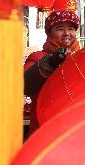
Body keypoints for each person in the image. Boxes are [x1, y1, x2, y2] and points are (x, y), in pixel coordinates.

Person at [23, 10, 80, 139]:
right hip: (43, 129)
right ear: (49, 33)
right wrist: (51, 61)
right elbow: (26, 86)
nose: (66, 33)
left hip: (74, 130)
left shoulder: (81, 58)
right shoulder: (37, 57)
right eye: (60, 29)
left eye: (71, 29)